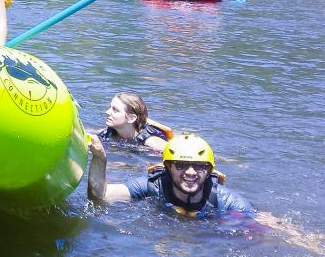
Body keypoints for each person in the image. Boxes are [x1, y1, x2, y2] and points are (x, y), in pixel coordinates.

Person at [87, 133, 255, 218]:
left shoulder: (227, 202)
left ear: (210, 170)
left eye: (199, 166)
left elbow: (256, 226)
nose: (190, 172)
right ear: (167, 167)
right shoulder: (153, 186)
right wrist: (100, 158)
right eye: (181, 165)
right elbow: (100, 196)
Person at [96, 92, 171, 152]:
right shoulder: (107, 133)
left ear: (131, 118)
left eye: (115, 110)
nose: (107, 112)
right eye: (110, 107)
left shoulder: (152, 142)